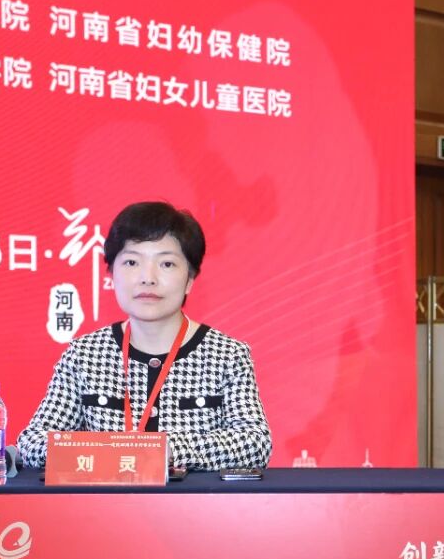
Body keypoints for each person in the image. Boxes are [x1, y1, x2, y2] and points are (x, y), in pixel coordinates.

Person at [16, 201, 272, 470]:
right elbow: (33, 442)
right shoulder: (84, 354)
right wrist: (114, 452)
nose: (147, 278)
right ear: (111, 273)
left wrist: (166, 450)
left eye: (167, 264)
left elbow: (256, 443)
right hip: (105, 498)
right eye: (131, 262)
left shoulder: (227, 355)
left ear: (190, 279)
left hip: (194, 499)